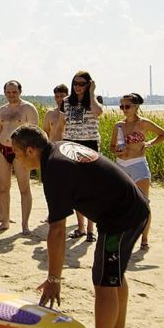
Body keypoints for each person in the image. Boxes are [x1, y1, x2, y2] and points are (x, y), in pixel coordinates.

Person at [14, 125, 149, 328]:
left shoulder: (54, 169)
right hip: (133, 208)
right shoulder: (54, 151)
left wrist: (54, 278)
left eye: (17, 154)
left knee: (104, 281)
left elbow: (57, 231)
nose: (17, 160)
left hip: (121, 219)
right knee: (114, 273)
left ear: (30, 150)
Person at [110, 93, 164, 249]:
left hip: (138, 164)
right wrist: (117, 152)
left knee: (143, 203)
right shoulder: (118, 125)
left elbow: (163, 134)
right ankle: (122, 235)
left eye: (127, 106)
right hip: (121, 165)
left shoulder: (143, 123)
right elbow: (112, 146)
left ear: (136, 107)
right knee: (121, 203)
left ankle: (144, 238)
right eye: (121, 106)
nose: (124, 109)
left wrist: (148, 144)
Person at [57, 72, 104, 241]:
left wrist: (91, 93)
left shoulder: (95, 99)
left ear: (89, 84)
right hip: (70, 144)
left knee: (90, 188)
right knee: (75, 188)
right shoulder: (67, 101)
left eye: (82, 83)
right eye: (75, 83)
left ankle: (91, 229)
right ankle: (81, 227)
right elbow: (61, 125)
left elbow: (98, 112)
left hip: (89, 144)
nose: (78, 86)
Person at [0, 80, 40, 234]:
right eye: (8, 92)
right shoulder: (1, 110)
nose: (11, 95)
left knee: (24, 187)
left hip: (21, 151)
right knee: (3, 187)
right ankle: (4, 221)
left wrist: (32, 156)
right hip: (2, 149)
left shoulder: (28, 108)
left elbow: (35, 133)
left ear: (20, 91)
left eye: (14, 92)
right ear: (4, 92)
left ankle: (25, 225)